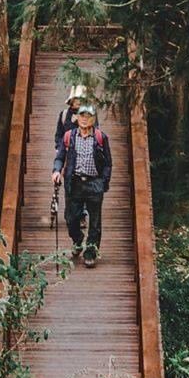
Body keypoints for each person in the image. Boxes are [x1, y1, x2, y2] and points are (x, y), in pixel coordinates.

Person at [52, 103, 112, 268]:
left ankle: (90, 253)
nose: (84, 120)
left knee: (95, 222)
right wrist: (57, 171)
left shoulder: (101, 138)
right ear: (76, 118)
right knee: (71, 218)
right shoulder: (68, 136)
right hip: (75, 182)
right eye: (82, 116)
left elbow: (108, 163)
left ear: (93, 119)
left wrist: (103, 181)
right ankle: (77, 240)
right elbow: (60, 157)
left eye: (88, 117)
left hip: (94, 183)